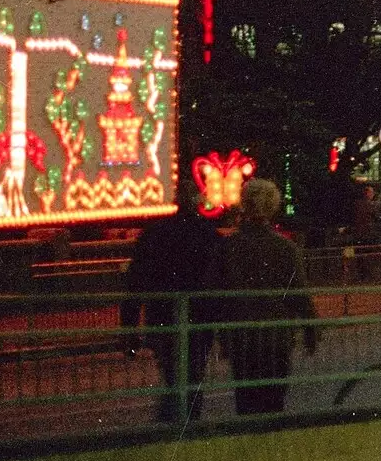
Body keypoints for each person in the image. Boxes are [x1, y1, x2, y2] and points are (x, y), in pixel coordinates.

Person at [208, 178, 318, 415]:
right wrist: (311, 328)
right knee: (273, 401)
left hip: (242, 336)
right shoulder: (286, 248)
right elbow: (299, 293)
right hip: (276, 336)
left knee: (246, 401)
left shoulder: (229, 247)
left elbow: (216, 294)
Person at [119, 176, 222, 423]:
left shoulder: (154, 234)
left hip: (162, 316)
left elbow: (135, 283)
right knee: (192, 375)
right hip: (199, 319)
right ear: (199, 199)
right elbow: (221, 283)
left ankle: (174, 422)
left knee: (173, 372)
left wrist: (129, 329)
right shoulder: (211, 236)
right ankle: (185, 423)